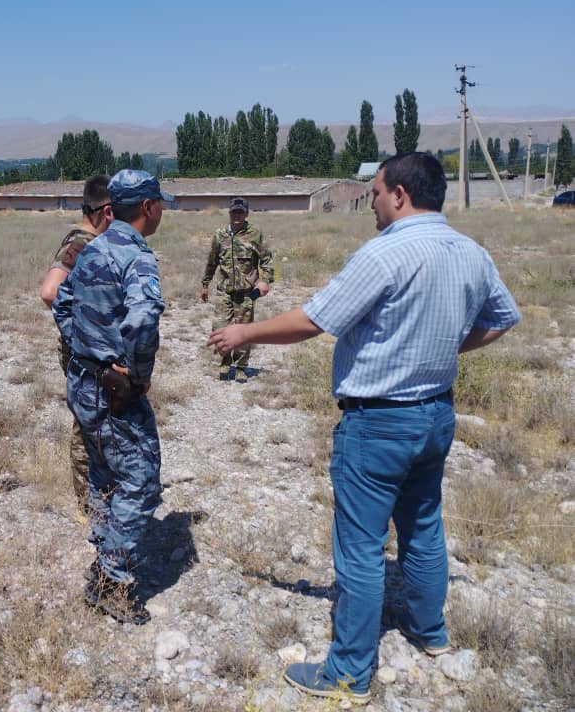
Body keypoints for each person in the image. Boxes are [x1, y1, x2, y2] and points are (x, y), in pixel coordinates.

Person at [208, 153, 519, 703]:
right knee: (423, 526)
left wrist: (244, 334)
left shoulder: (384, 253)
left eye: (375, 192)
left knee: (360, 547)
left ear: (399, 194)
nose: (370, 202)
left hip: (378, 422)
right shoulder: (471, 251)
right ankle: (430, 632)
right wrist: (443, 349)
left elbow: (314, 320)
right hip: (435, 414)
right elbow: (501, 318)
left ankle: (348, 674)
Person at [53, 169, 172, 625]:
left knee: (104, 473)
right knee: (140, 482)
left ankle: (103, 555)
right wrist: (135, 376)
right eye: (160, 205)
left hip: (84, 382)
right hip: (113, 391)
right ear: (147, 207)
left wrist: (84, 347)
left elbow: (61, 301)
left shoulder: (92, 248)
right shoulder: (136, 258)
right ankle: (111, 581)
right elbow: (142, 321)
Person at [39, 175, 114, 516]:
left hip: (92, 350)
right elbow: (50, 292)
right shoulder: (82, 243)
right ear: (105, 210)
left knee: (98, 422)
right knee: (87, 425)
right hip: (83, 352)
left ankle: (101, 494)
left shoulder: (93, 241)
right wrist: (85, 329)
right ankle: (88, 504)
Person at [200, 196, 274, 381]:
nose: (237, 215)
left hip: (247, 293)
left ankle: (241, 367)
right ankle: (225, 362)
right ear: (229, 212)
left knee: (243, 330)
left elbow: (266, 261)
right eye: (234, 212)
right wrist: (205, 284)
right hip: (224, 291)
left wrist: (265, 281)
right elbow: (212, 261)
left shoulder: (255, 234)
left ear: (246, 213)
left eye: (241, 212)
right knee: (220, 327)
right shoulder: (220, 235)